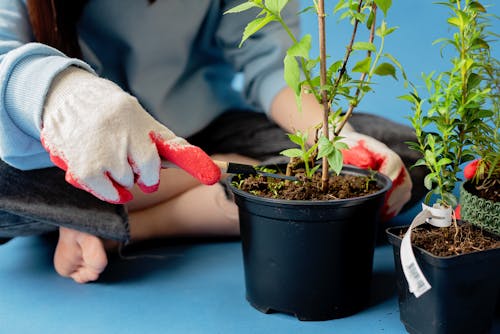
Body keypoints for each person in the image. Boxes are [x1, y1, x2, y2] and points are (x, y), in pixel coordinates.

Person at [0, 0, 421, 284]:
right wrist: (61, 95)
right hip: (62, 149)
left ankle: (125, 224)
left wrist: (335, 140)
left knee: (403, 152)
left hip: (200, 125)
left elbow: (271, 62)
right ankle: (228, 178)